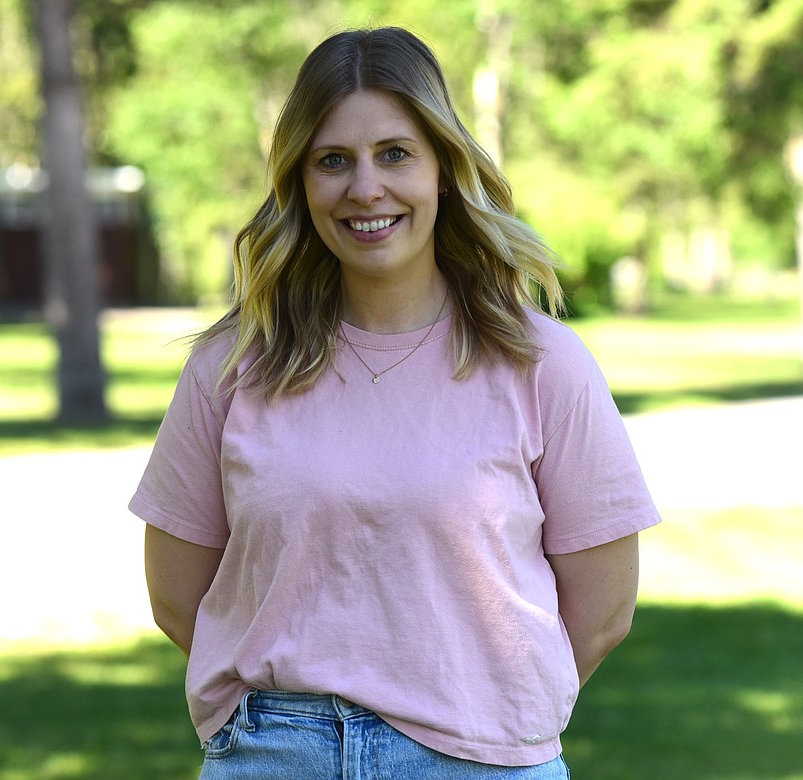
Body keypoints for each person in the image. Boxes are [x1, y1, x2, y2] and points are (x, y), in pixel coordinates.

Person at [129, 26, 661, 779]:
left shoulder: (541, 364)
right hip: (276, 757)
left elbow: (605, 607)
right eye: (333, 161)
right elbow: (176, 593)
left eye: (395, 154)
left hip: (479, 761)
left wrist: (483, 703)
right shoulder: (231, 366)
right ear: (300, 182)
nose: (365, 189)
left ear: (444, 168)